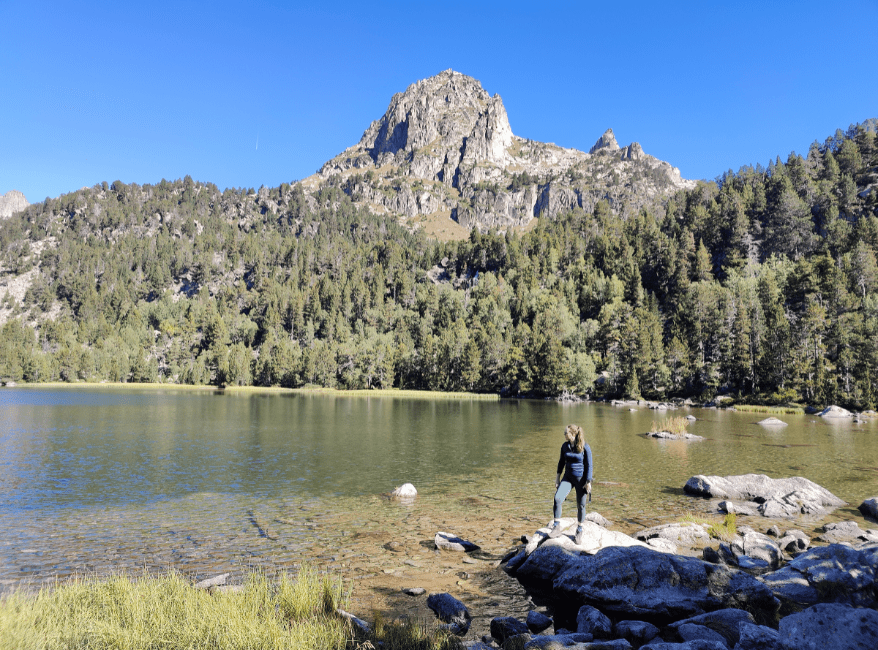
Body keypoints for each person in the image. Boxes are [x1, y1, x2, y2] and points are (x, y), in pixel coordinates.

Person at [549, 424, 592, 545]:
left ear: (572, 434)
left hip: (581, 480)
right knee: (557, 498)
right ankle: (556, 527)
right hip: (567, 478)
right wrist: (557, 479)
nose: (564, 435)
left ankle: (579, 530)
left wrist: (588, 482)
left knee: (581, 505)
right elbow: (561, 462)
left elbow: (589, 465)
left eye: (565, 433)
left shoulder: (585, 447)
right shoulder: (565, 446)